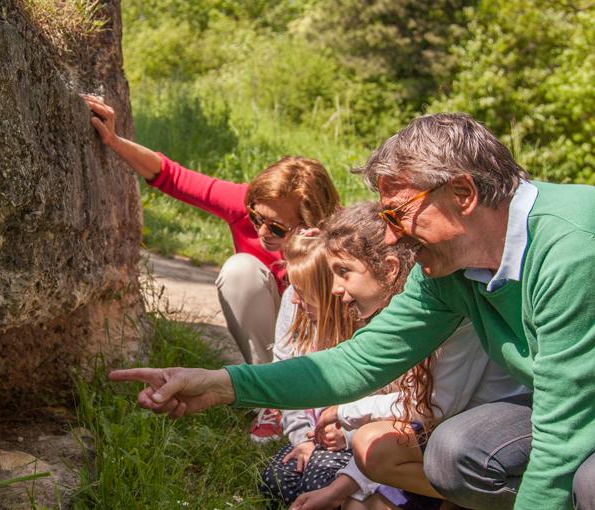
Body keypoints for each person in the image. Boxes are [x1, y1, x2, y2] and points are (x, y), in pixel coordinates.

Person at [109, 113, 595, 510]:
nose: (389, 236)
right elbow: (358, 362)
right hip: (558, 399)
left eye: (397, 214)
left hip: (572, 409)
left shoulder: (570, 251)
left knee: (585, 482)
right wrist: (221, 384)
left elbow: (561, 437)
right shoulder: (451, 268)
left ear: (462, 195)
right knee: (455, 454)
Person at [84, 95, 339, 441]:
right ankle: (270, 397)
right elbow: (168, 175)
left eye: (277, 228)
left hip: (319, 332)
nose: (262, 232)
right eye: (256, 218)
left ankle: (316, 400)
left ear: (311, 223)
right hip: (271, 332)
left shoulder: (336, 238)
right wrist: (113, 140)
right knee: (240, 270)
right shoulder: (244, 204)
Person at [267, 203, 529, 510]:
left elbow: (431, 407)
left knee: (371, 450)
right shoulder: (386, 314)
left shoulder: (445, 308)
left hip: (487, 436)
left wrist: (345, 411)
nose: (336, 288)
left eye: (343, 272)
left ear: (391, 268)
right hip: (436, 441)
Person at [259, 232, 359, 504]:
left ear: (330, 294)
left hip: (354, 443)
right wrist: (301, 438)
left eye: (302, 294)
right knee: (277, 480)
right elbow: (289, 388)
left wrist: (348, 433)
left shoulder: (360, 336)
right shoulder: (305, 327)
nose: (294, 301)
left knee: (320, 478)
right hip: (311, 436)